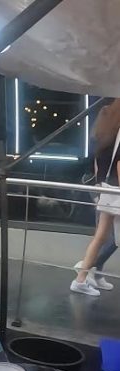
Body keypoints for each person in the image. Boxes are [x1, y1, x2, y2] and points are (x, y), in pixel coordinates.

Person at [71, 100, 120, 296]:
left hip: (107, 188)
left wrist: (101, 186)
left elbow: (100, 165)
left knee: (102, 236)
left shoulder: (105, 134)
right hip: (116, 190)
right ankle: (85, 273)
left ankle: (84, 275)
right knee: (108, 238)